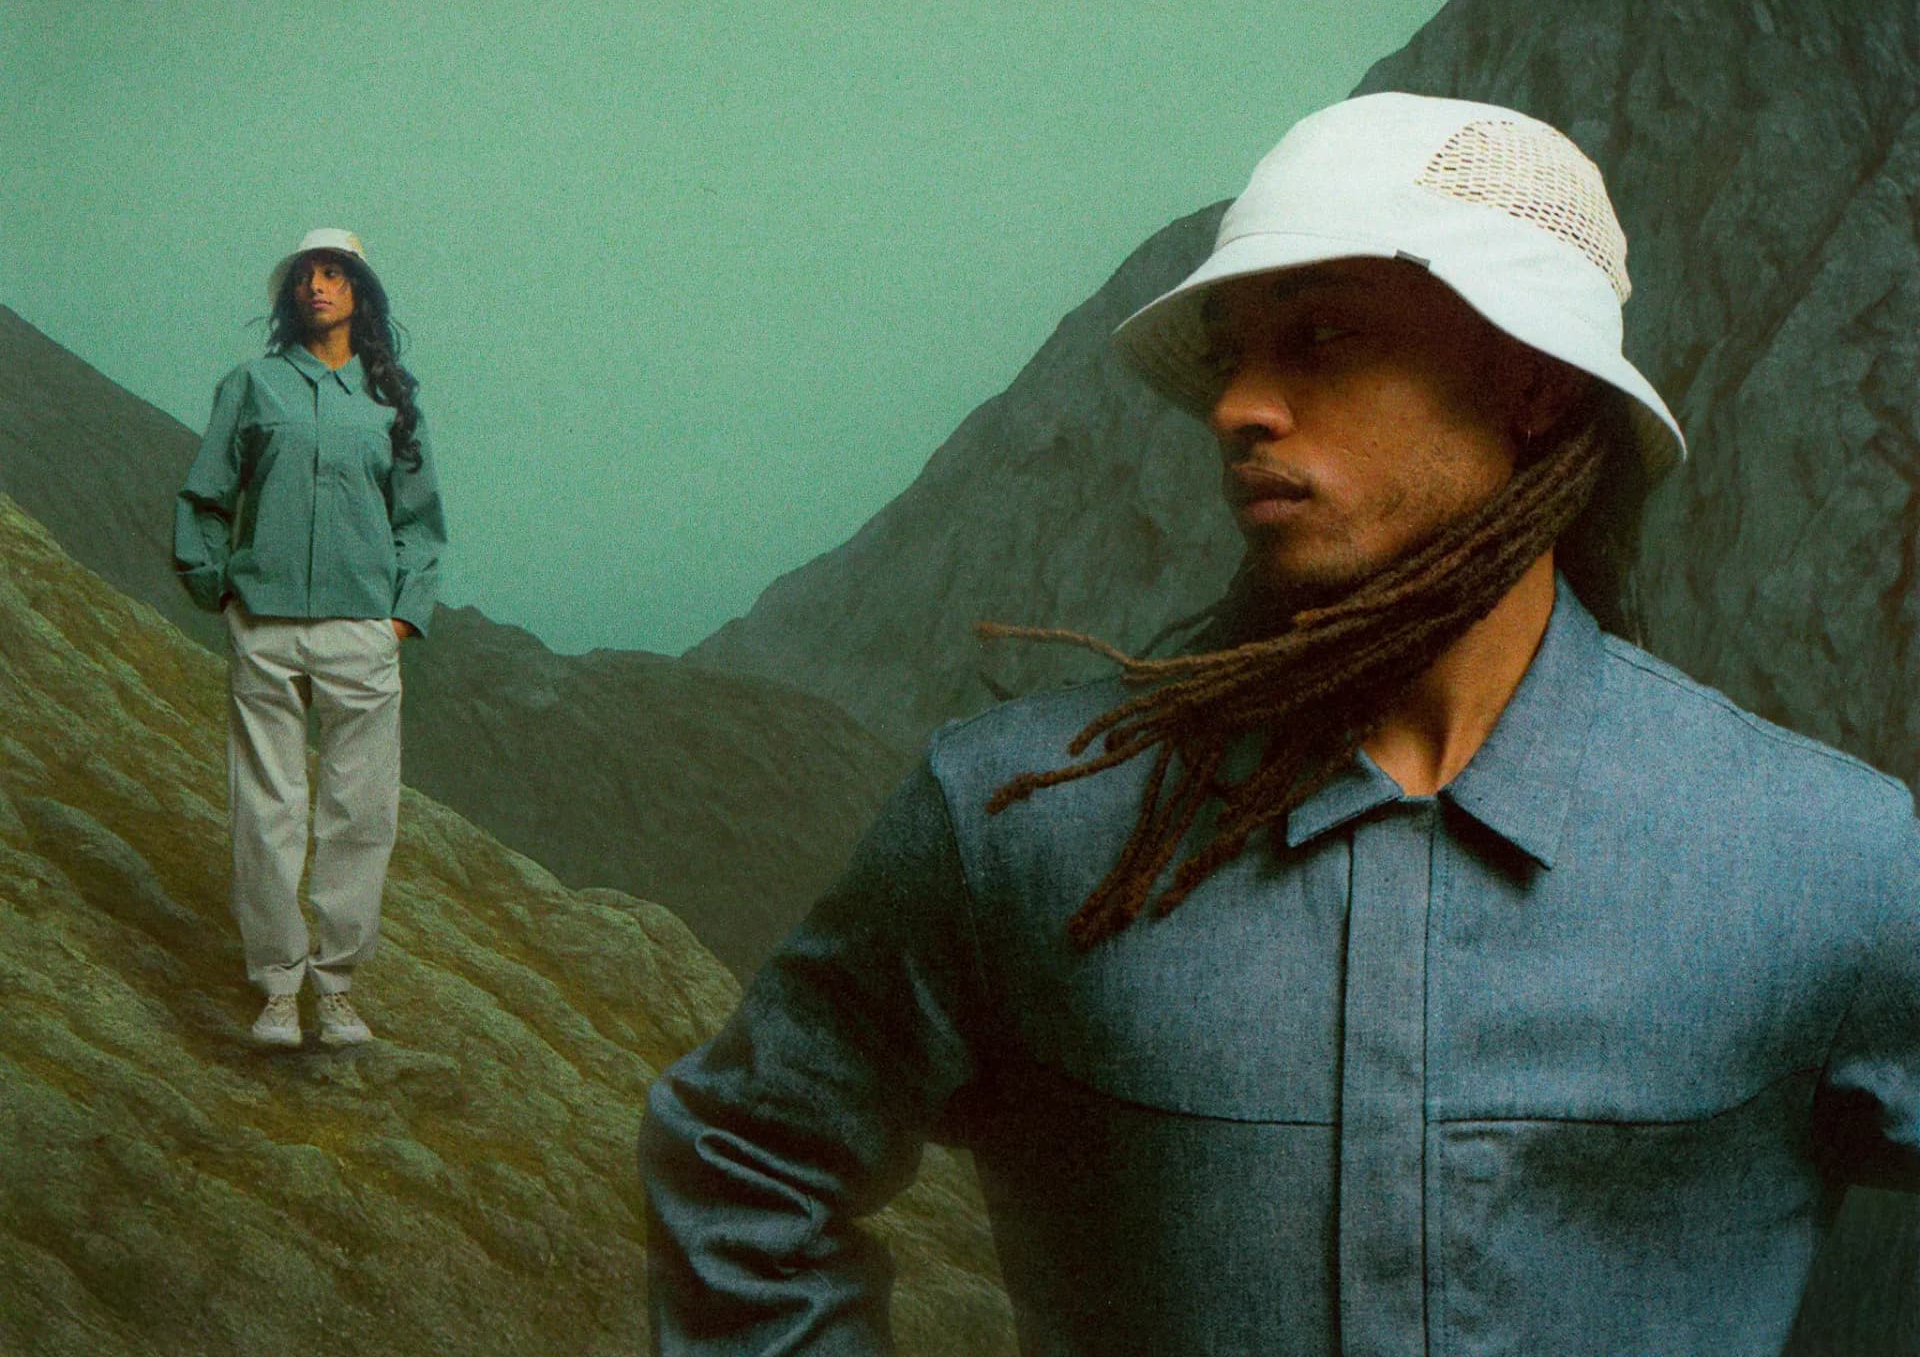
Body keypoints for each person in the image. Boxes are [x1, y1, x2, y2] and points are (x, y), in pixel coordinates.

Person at [639, 94, 1920, 1354]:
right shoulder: (1021, 822)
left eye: (1320, 340)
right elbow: (745, 1161)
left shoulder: (1823, 859)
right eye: (1232, 354)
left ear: (1530, 386)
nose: (1238, 406)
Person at [175, 228, 447, 1050]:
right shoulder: (253, 386)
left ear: (360, 293)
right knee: (267, 815)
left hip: (361, 633)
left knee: (360, 817)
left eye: (334, 274)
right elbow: (206, 497)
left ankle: (335, 990)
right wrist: (218, 587)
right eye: (306, 276)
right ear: (292, 294)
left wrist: (401, 615)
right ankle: (276, 991)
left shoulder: (391, 399)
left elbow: (421, 522)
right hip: (265, 628)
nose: (317, 287)